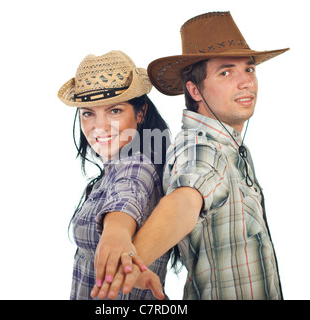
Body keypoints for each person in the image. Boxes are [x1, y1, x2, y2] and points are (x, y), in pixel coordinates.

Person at [93, 12, 289, 300]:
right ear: (195, 90)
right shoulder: (201, 147)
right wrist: (132, 262)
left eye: (248, 69)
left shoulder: (230, 145)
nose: (246, 82)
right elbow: (186, 199)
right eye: (226, 72)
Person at [58, 50, 171, 300]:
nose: (99, 126)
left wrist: (117, 232)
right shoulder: (113, 168)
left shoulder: (137, 163)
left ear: (140, 113)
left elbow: (128, 192)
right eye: (88, 113)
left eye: (114, 111)